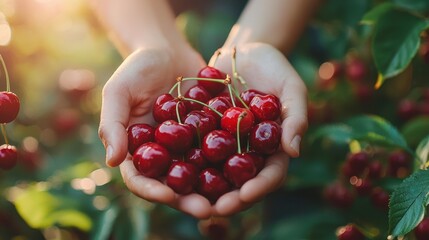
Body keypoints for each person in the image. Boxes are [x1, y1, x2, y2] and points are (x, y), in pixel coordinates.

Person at [92, 0, 319, 219]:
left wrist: (255, 44)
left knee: (293, 201)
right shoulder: (194, 121)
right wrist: (155, 44)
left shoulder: (237, 117)